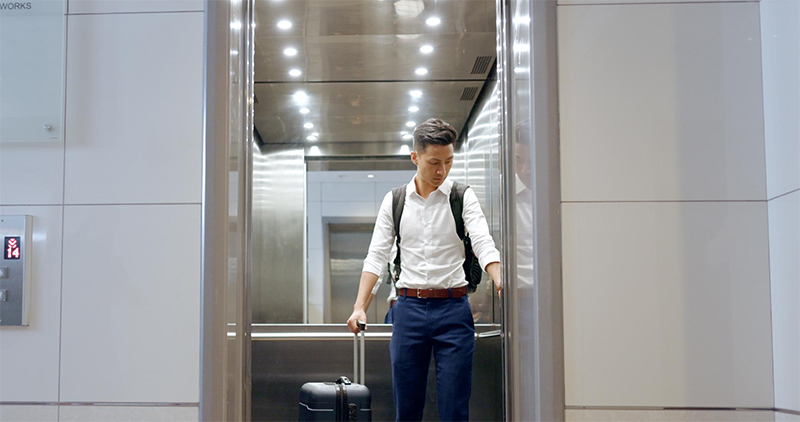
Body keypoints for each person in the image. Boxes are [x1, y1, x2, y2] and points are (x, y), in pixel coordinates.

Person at [346, 118, 502, 421]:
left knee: (455, 408)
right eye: (434, 163)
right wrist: (358, 307)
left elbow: (483, 240)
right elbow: (376, 255)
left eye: (448, 161)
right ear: (415, 157)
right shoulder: (395, 200)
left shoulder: (462, 196)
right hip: (409, 310)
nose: (442, 171)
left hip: (454, 310)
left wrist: (499, 278)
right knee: (407, 409)